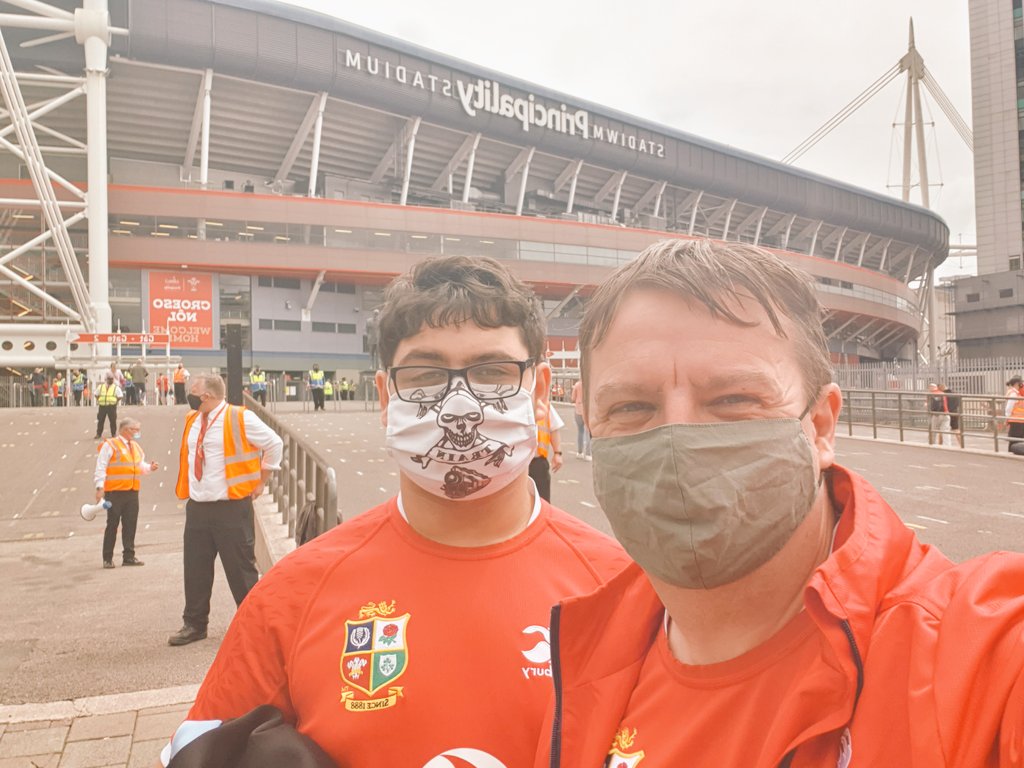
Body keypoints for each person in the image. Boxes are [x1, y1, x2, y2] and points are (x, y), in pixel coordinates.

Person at [540, 240, 1024, 768]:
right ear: (590, 417)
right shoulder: (583, 659)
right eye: (631, 407)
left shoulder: (976, 657)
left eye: (734, 400)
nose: (678, 442)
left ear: (819, 426)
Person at [160, 256, 628, 768]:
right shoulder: (290, 600)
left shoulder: (620, 594)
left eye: (491, 371)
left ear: (539, 392)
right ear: (386, 396)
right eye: (425, 374)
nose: (457, 403)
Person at [168, 373, 284, 647]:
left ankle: (256, 627)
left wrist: (261, 482)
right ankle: (195, 624)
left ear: (207, 395)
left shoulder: (239, 417)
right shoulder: (192, 420)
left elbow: (274, 444)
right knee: (195, 568)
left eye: (194, 390)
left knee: (241, 570)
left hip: (231, 506)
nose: (190, 395)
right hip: (197, 506)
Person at [93, 417, 158, 569]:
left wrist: (150, 467)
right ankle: (107, 557)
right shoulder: (110, 445)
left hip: (132, 491)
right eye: (135, 430)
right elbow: (101, 466)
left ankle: (129, 556)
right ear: (125, 430)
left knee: (130, 524)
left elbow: (139, 465)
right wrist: (99, 487)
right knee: (113, 525)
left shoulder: (135, 447)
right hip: (115, 491)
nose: (137, 433)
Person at [528, 402, 564, 501]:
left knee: (542, 500)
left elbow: (554, 428)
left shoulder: (544, 405)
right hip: (514, 464)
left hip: (537, 462)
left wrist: (558, 453)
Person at [94, 372, 123, 439]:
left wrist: (115, 401)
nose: (111, 380)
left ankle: (113, 434)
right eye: (109, 379)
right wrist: (100, 400)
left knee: (113, 421)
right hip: (102, 406)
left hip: (111, 406)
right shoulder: (101, 387)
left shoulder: (116, 387)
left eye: (112, 379)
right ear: (106, 379)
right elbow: (96, 394)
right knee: (100, 420)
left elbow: (120, 396)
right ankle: (98, 434)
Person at [570, 378, 591, 460]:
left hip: (578, 409)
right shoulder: (590, 385)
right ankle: (588, 454)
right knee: (588, 432)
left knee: (580, 431)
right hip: (588, 409)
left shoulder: (577, 385)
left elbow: (573, 398)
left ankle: (580, 452)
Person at [927, 382, 952, 446]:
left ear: (931, 387)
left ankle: (932, 444)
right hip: (946, 413)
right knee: (946, 431)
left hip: (936, 414)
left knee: (933, 430)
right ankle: (947, 445)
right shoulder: (942, 393)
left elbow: (929, 405)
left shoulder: (931, 394)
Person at [1004, 377, 1024, 452]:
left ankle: (1015, 451)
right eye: (1021, 383)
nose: (1022, 385)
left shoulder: (1018, 393)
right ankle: (1011, 452)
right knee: (1014, 438)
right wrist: (1007, 418)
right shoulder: (1013, 393)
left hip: (1020, 420)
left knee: (1019, 438)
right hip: (1015, 420)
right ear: (1016, 384)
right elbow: (1009, 407)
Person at [942, 384, 963, 448]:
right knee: (956, 430)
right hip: (955, 413)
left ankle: (939, 445)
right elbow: (959, 403)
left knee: (942, 430)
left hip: (946, 413)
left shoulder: (942, 394)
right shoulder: (955, 394)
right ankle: (962, 445)